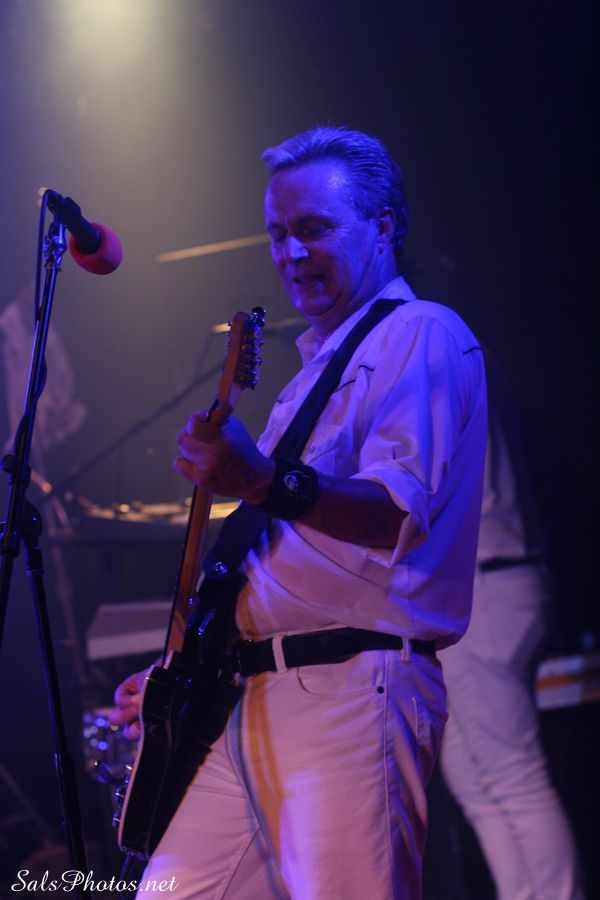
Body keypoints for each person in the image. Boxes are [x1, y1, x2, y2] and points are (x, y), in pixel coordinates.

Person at [110, 126, 487, 899]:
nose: (289, 253)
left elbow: (390, 514)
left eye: (313, 228)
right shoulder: (308, 376)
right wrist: (182, 663)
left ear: (383, 227)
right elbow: (278, 554)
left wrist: (259, 478)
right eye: (277, 234)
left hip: (350, 688)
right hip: (246, 696)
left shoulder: (422, 333)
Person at [439, 352, 585, 900]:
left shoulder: (429, 349)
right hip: (495, 579)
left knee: (512, 777)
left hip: (485, 584)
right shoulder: (461, 350)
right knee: (472, 777)